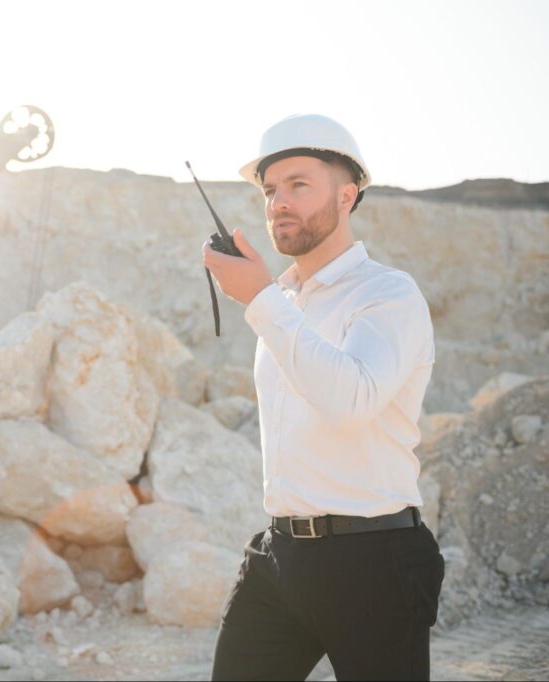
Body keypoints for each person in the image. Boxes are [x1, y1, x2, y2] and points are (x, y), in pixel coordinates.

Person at [201, 114, 445, 681]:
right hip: (280, 556)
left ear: (346, 194)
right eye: (269, 191)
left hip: (373, 561)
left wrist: (260, 298)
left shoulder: (388, 294)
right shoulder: (283, 299)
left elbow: (351, 402)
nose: (278, 203)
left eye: (298, 185)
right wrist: (269, 297)